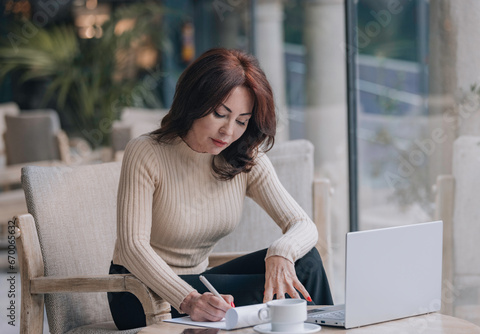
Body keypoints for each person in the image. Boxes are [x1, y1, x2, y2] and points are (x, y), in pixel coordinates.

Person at [108, 48, 333, 330]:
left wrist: (281, 252)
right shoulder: (147, 151)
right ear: (194, 102)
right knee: (284, 295)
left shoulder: (243, 159)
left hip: (201, 283)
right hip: (138, 292)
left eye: (241, 121)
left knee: (305, 262)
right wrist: (188, 300)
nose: (229, 131)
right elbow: (132, 247)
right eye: (220, 114)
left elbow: (303, 225)